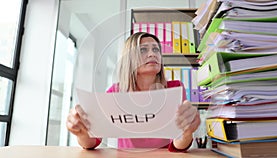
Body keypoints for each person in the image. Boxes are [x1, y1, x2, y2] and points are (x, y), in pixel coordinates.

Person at [66, 32, 200, 152]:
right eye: (143, 50)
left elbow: (178, 144)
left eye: (156, 49)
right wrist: (81, 132)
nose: (152, 54)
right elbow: (92, 142)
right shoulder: (115, 92)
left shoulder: (174, 89)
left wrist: (187, 132)